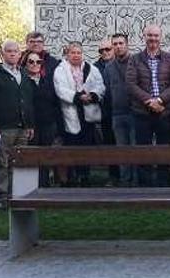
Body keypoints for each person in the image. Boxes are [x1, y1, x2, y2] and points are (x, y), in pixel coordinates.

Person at [0, 40, 35, 207]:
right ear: (2, 54)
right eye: (9, 51)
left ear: (20, 54)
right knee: (2, 163)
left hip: (23, 127)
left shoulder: (24, 73)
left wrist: (30, 125)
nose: (12, 54)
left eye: (15, 51)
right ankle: (3, 196)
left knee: (21, 162)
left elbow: (28, 101)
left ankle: (19, 193)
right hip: (4, 128)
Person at [126, 24, 170, 186]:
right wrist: (150, 101)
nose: (153, 38)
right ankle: (145, 185)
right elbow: (130, 84)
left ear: (160, 38)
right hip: (142, 112)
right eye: (149, 35)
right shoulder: (135, 59)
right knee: (143, 150)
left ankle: (164, 183)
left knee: (165, 150)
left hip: (165, 112)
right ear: (144, 37)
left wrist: (160, 100)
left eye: (156, 35)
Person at [54, 42, 105, 186]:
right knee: (71, 147)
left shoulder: (91, 68)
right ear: (67, 54)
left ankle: (85, 177)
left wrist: (93, 95)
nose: (76, 55)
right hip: (70, 113)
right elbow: (60, 89)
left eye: (78, 53)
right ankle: (71, 178)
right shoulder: (60, 70)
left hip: (87, 113)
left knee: (86, 147)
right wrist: (78, 97)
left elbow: (100, 85)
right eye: (73, 52)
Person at [23, 51, 63, 186]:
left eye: (38, 62)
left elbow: (56, 104)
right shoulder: (22, 82)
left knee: (46, 155)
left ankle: (45, 185)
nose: (35, 64)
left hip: (48, 125)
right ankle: (32, 186)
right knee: (33, 156)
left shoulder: (48, 81)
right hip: (30, 126)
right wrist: (28, 125)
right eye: (31, 61)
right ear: (25, 64)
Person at [103, 33, 134, 185]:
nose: (118, 46)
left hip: (135, 113)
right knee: (122, 150)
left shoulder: (136, 62)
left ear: (127, 44)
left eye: (121, 43)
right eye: (115, 44)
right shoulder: (109, 67)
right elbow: (107, 91)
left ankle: (138, 182)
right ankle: (125, 181)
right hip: (117, 115)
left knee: (136, 150)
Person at [94, 39, 119, 184]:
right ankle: (113, 176)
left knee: (126, 145)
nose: (104, 52)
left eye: (107, 49)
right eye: (101, 50)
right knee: (110, 145)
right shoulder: (94, 68)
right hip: (106, 114)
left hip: (123, 112)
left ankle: (129, 177)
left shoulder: (123, 63)